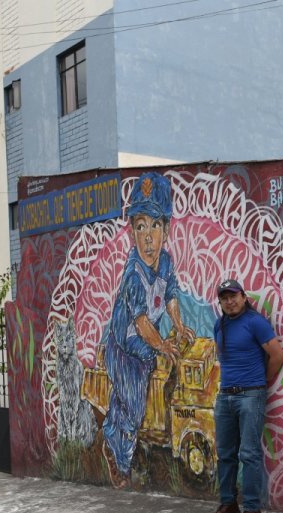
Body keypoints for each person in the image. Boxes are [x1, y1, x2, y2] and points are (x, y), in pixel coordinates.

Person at [101, 172, 195, 486]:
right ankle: (116, 455)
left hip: (146, 344)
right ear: (132, 232)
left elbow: (170, 296)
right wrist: (162, 345)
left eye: (155, 225)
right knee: (132, 404)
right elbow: (141, 323)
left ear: (166, 230)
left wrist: (179, 325)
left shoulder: (165, 262)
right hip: (125, 348)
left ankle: (128, 443)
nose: (148, 237)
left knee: (151, 389)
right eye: (140, 227)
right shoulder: (132, 274)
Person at [204, 280, 283, 513]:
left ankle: (252, 508)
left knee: (249, 453)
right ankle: (228, 504)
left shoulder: (255, 322)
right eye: (224, 298)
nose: (230, 302)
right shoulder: (219, 325)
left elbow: (277, 355)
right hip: (225, 396)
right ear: (220, 302)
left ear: (243, 296)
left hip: (251, 395)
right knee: (225, 453)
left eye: (234, 296)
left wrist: (261, 381)